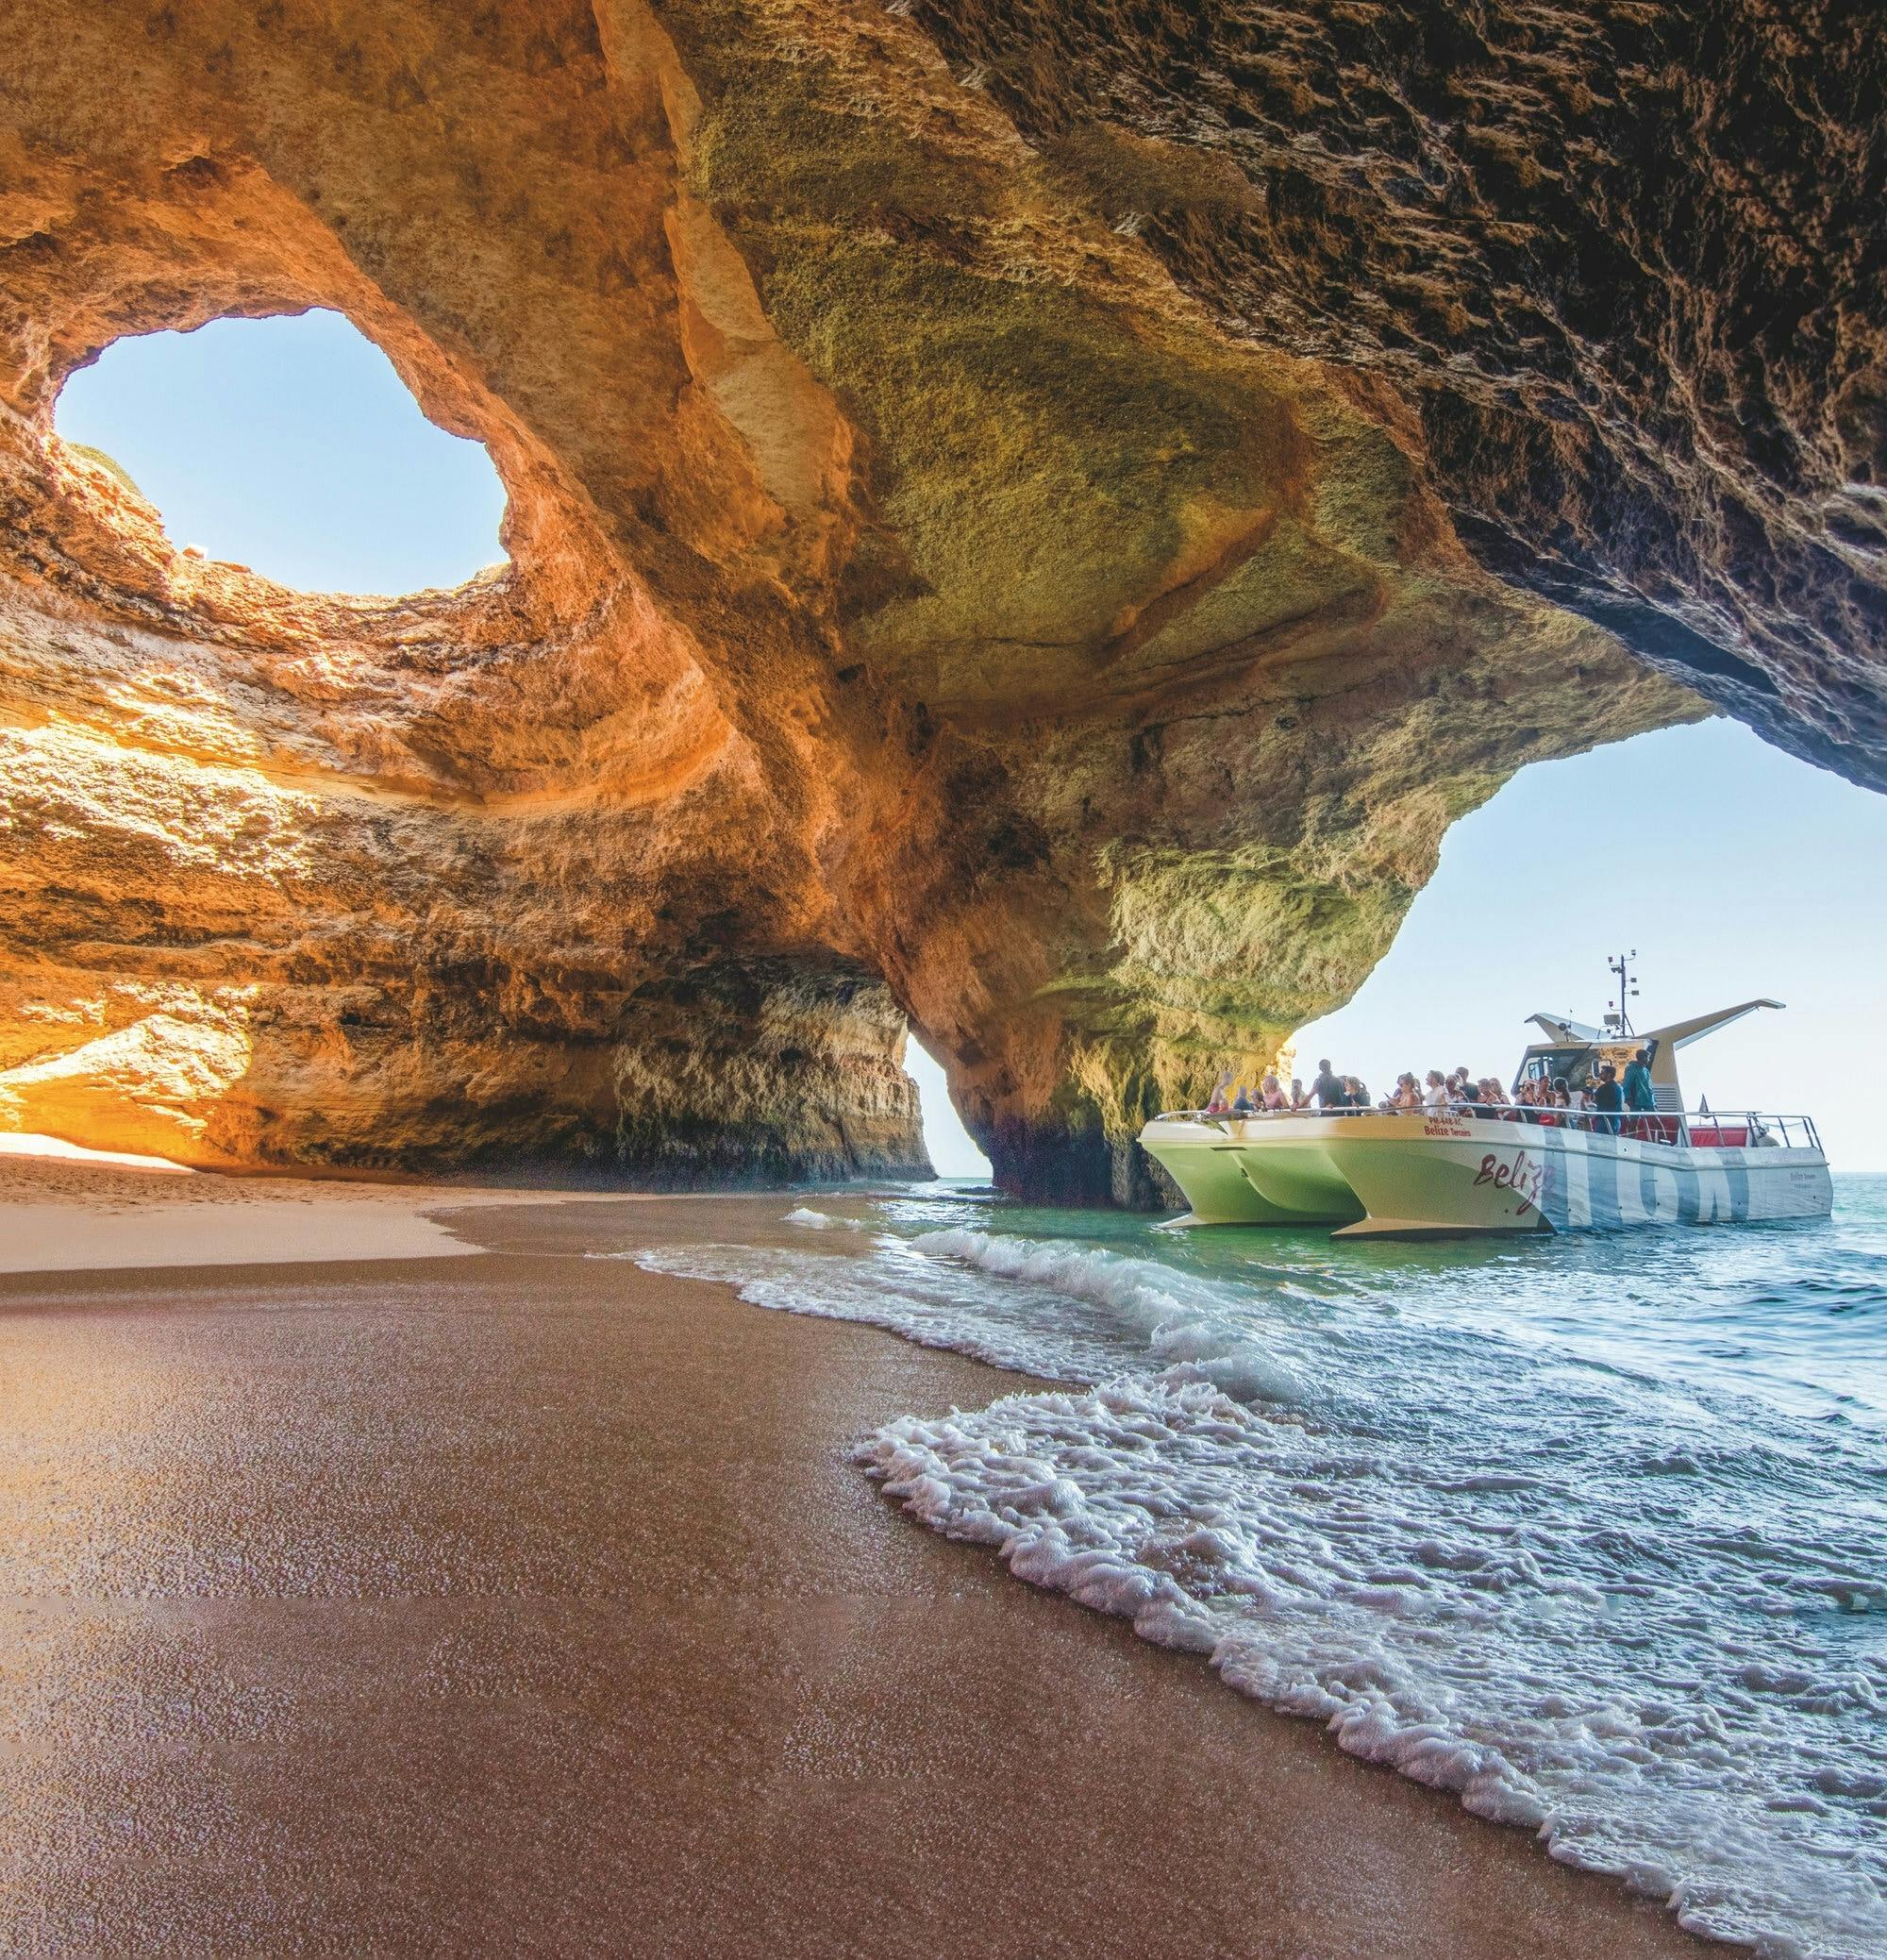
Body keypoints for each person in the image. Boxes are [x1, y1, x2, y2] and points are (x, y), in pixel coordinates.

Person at [1623, 1047, 1656, 1138]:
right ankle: (1631, 1139)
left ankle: (1659, 1139)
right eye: (1647, 1057)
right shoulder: (1631, 1069)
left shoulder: (1646, 1071)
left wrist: (1653, 1101)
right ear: (1642, 1058)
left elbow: (1649, 1087)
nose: (1648, 1060)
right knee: (1633, 1122)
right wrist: (1628, 1097)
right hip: (1635, 1100)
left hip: (1647, 1100)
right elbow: (1627, 1084)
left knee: (1655, 1120)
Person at [1592, 1062, 1624, 1136]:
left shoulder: (1604, 1087)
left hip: (1604, 1120)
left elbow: (1593, 1100)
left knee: (1601, 1141)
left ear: (1609, 1075)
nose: (1600, 1074)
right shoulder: (1617, 1087)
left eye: (1602, 1073)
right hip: (1616, 1120)